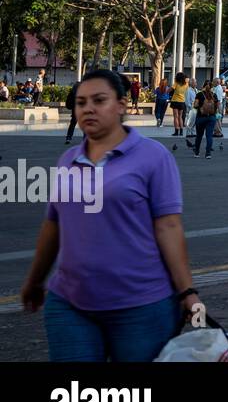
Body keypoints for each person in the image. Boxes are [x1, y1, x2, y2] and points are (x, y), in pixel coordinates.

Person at [21, 69, 203, 360]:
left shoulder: (153, 157)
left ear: (121, 105)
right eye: (81, 102)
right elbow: (54, 225)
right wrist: (35, 280)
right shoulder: (69, 160)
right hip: (69, 302)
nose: (88, 108)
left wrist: (187, 292)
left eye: (99, 100)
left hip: (142, 305)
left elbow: (169, 227)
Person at [192, 80, 220, 159]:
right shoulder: (214, 95)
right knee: (209, 136)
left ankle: (197, 152)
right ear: (211, 87)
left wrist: (199, 107)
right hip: (211, 117)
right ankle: (208, 153)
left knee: (199, 136)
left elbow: (196, 105)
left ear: (203, 86)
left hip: (201, 117)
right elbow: (217, 106)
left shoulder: (199, 94)